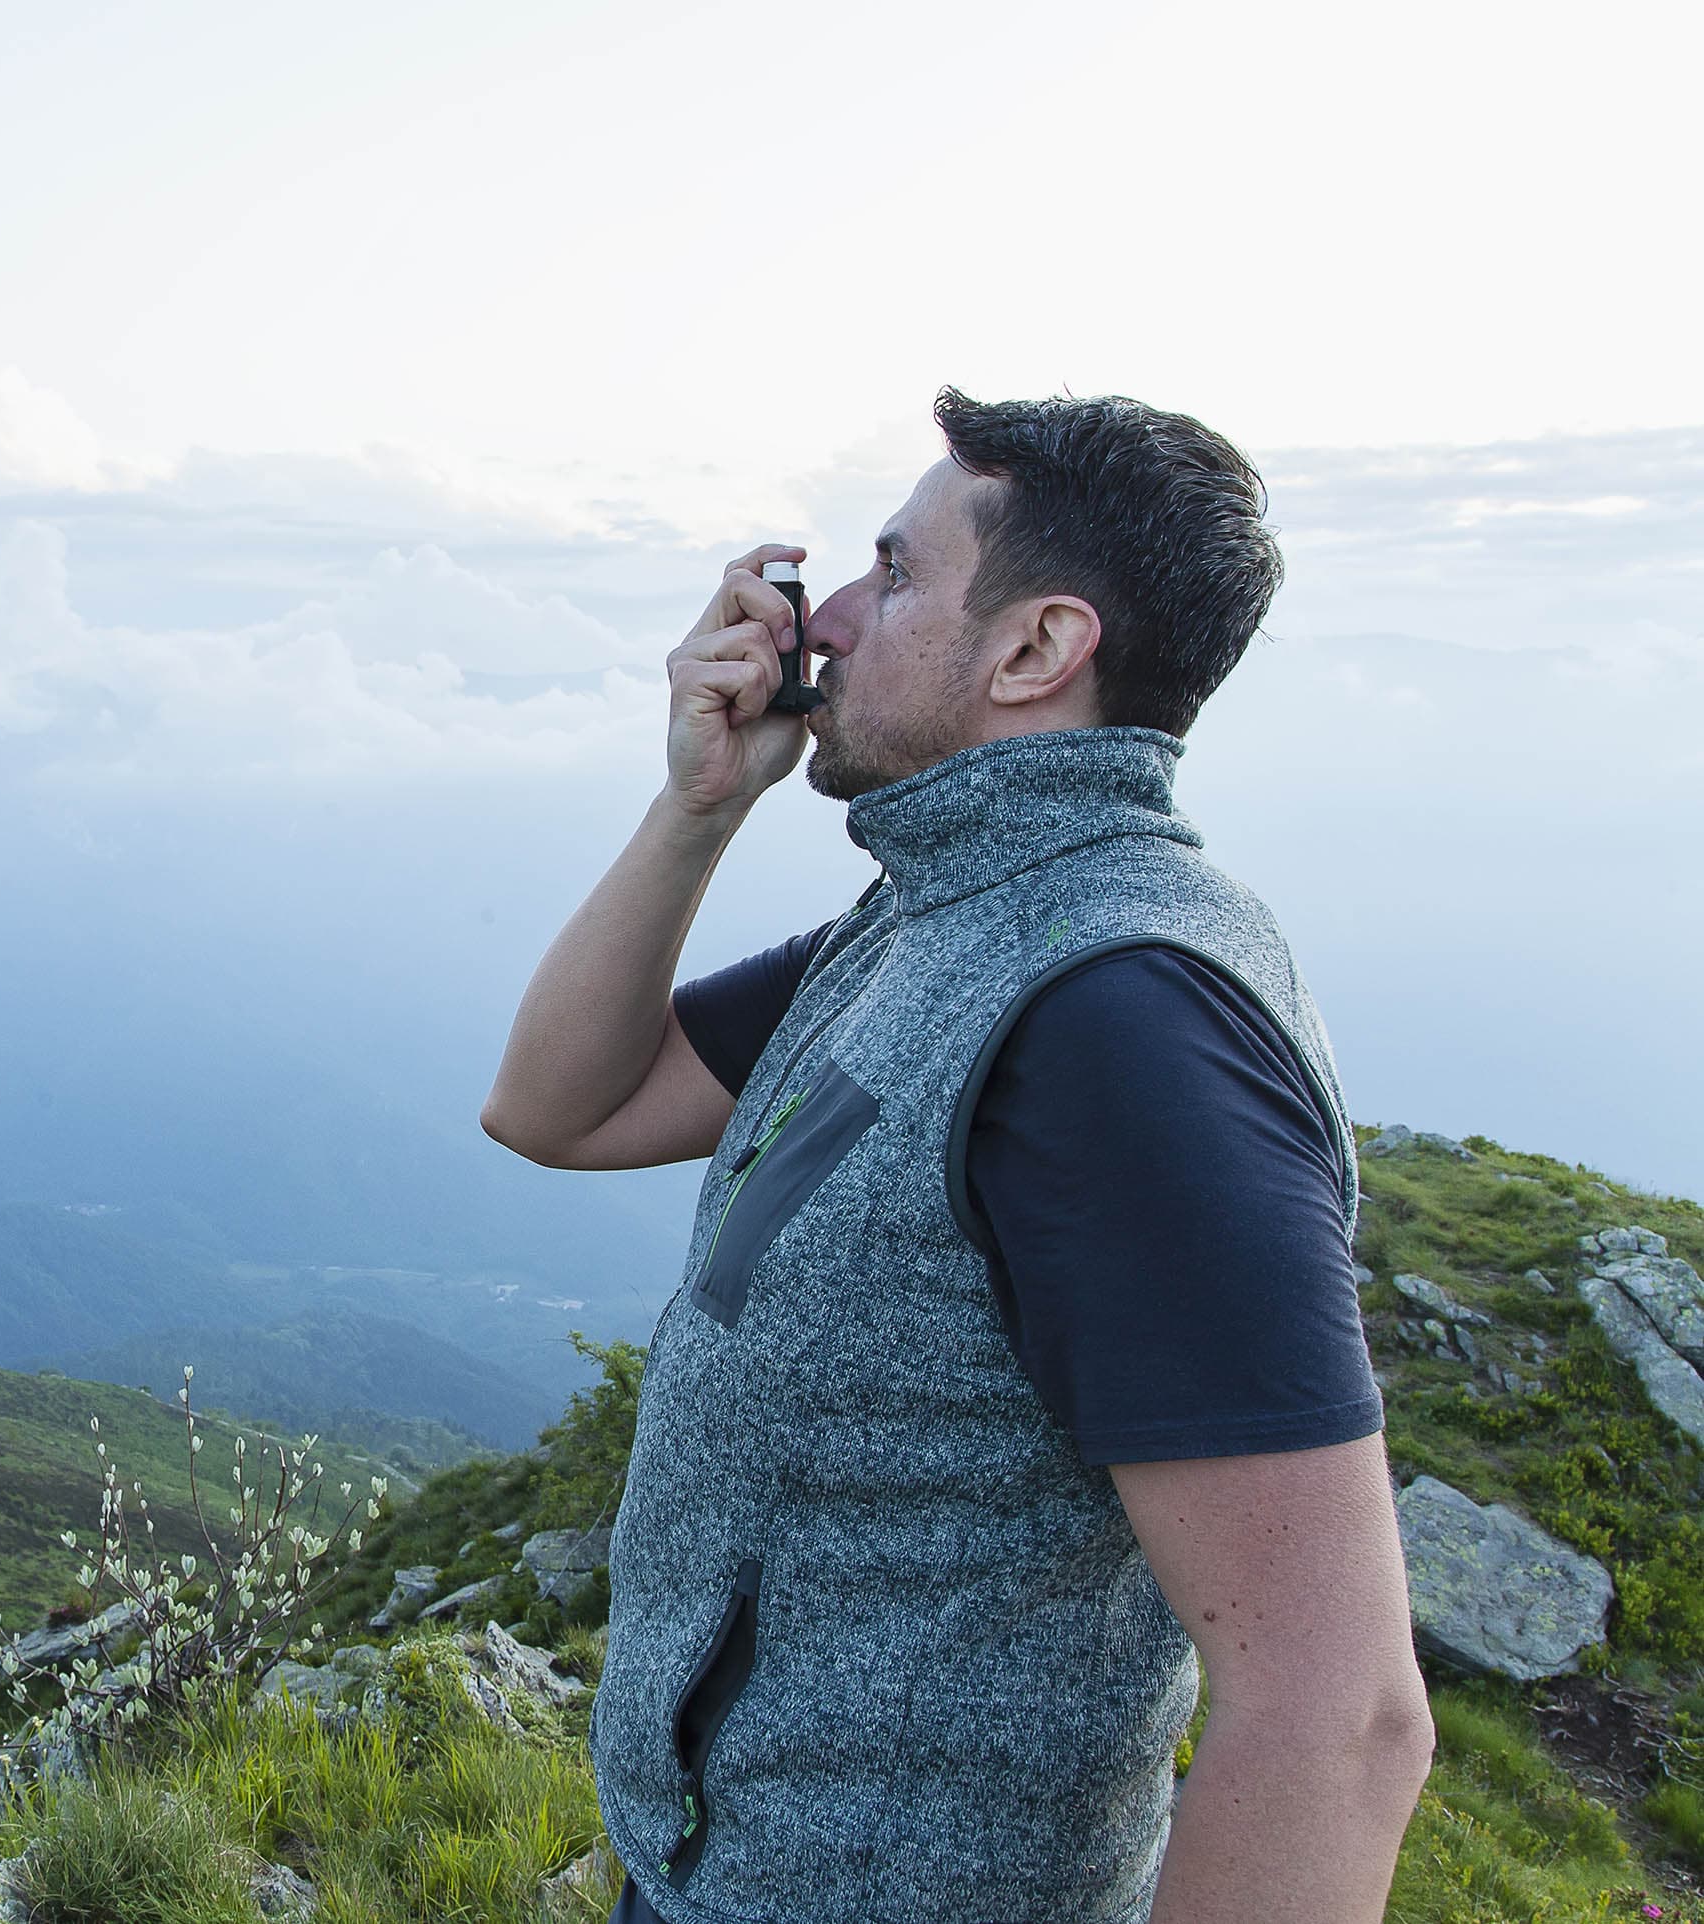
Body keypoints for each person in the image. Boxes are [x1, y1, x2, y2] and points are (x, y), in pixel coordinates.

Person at [480, 389, 1432, 1923]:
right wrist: (696, 806)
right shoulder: (946, 923)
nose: (828, 622)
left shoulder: (1122, 1023)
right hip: (727, 1880)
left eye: (896, 572)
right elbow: (560, 1108)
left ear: (1036, 651)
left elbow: (1340, 1719)